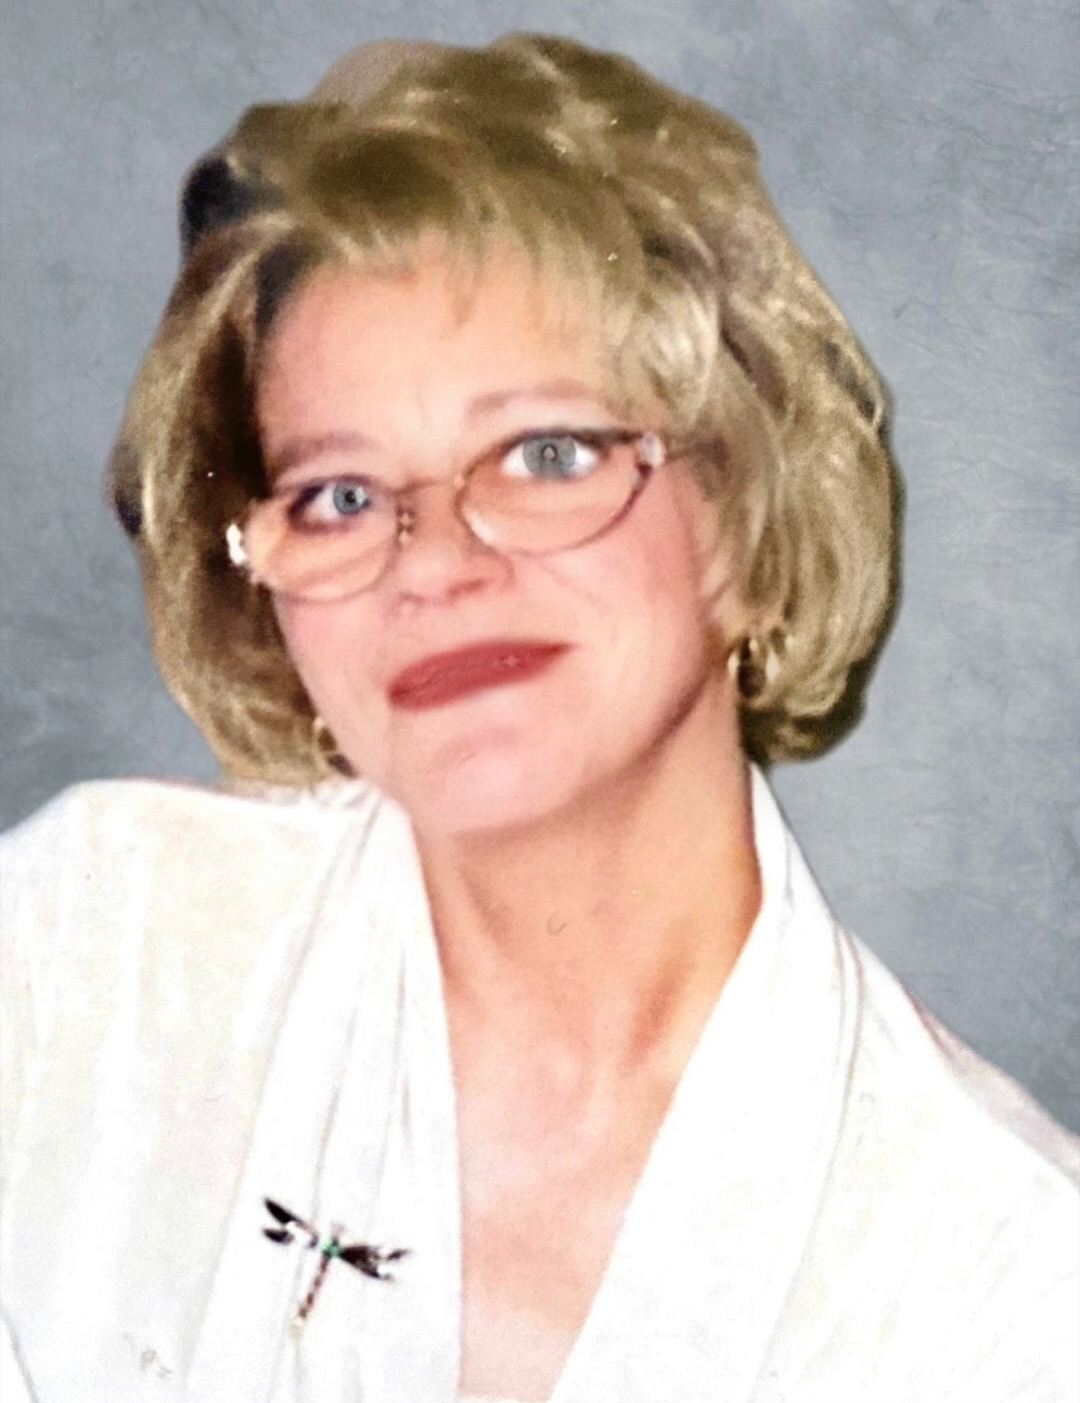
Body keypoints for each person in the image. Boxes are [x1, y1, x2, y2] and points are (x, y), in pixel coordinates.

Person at [1, 33, 1076, 1403]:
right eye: (340, 495)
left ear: (745, 522)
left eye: (544, 455)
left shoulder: (1006, 1284)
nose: (433, 565)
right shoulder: (84, 958)